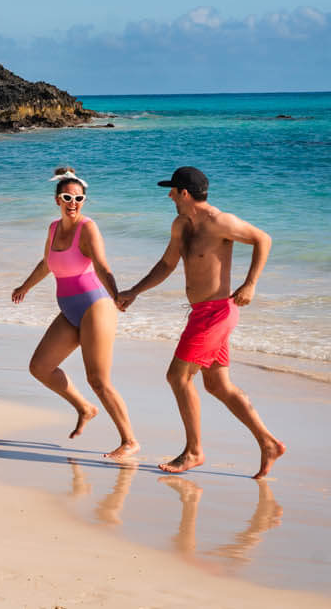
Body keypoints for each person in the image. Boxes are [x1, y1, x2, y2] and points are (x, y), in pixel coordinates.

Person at [116, 166, 287, 479]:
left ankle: (194, 451)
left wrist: (250, 283)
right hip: (201, 314)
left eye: (172, 190)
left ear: (184, 193)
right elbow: (167, 264)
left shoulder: (220, 221)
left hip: (218, 312)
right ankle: (268, 443)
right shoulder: (181, 224)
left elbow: (263, 239)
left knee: (177, 377)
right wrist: (134, 291)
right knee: (218, 385)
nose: (168, 195)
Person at [11, 167, 139, 461]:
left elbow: (103, 265)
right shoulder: (54, 228)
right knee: (40, 367)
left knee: (98, 379)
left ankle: (130, 441)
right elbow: (47, 263)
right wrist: (25, 286)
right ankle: (85, 408)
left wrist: (117, 294)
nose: (73, 203)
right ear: (57, 199)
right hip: (69, 308)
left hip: (96, 305)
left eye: (79, 198)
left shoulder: (88, 228)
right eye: (67, 197)